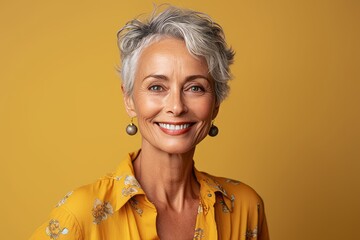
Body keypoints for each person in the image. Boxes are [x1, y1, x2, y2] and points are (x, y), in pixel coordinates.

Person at [30, 5, 269, 240]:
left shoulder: (244, 208)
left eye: (195, 87)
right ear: (129, 100)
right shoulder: (82, 214)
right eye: (157, 87)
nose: (176, 106)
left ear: (216, 103)